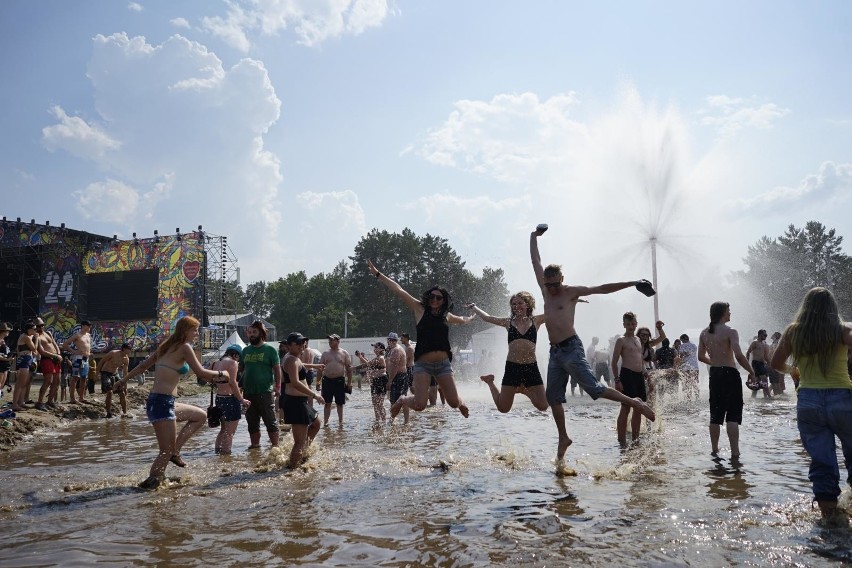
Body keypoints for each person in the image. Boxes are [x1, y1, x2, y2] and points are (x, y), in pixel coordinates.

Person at [530, 225, 656, 460]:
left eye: (557, 284)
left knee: (595, 390)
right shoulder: (546, 290)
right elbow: (536, 260)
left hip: (571, 348)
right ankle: (563, 437)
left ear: (562, 280)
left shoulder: (571, 292)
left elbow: (602, 289)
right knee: (553, 397)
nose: (553, 289)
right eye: (549, 285)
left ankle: (635, 403)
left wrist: (632, 283)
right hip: (555, 352)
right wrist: (533, 236)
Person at [113, 316, 228, 489]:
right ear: (185, 330)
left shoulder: (166, 346)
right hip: (161, 402)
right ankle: (150, 485)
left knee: (200, 416)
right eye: (194, 330)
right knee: (164, 451)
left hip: (162, 401)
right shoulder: (184, 348)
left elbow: (143, 366)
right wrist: (222, 374)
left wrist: (123, 380)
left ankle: (175, 452)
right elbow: (201, 372)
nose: (197, 333)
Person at [770, 287, 852, 524]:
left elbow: (776, 362)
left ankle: (830, 522)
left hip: (808, 402)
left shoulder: (794, 332)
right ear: (832, 308)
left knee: (822, 460)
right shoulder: (843, 329)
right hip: (842, 399)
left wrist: (794, 370)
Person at [367, 260, 476, 422]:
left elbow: (460, 319)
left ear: (443, 300)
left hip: (443, 365)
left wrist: (470, 318)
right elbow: (399, 290)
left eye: (438, 298)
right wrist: (378, 274)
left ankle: (460, 404)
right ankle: (403, 399)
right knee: (419, 405)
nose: (434, 300)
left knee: (453, 402)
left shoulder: (446, 316)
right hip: (423, 365)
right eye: (432, 296)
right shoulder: (419, 309)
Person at [467, 292, 549, 413]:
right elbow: (488, 318)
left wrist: (570, 302)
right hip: (513, 367)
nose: (517, 306)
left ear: (528, 304)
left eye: (520, 303)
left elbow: (555, 313)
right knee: (503, 408)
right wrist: (474, 307)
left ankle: (524, 390)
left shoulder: (536, 320)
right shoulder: (508, 322)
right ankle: (490, 382)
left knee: (543, 406)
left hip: (531, 367)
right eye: (514, 304)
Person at [697, 302, 756, 460]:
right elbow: (739, 355)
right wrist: (752, 371)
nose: (730, 313)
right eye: (728, 311)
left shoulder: (704, 333)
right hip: (730, 374)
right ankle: (735, 453)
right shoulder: (731, 331)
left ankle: (714, 450)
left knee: (715, 415)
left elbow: (700, 357)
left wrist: (715, 364)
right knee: (732, 415)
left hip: (715, 374)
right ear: (723, 313)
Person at [611, 314, 666, 446]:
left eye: (633, 324)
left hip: (639, 376)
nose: (631, 326)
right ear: (624, 324)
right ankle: (622, 440)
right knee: (625, 408)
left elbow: (640, 361)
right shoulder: (621, 340)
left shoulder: (637, 339)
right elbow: (613, 362)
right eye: (628, 324)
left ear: (636, 324)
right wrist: (617, 380)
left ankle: (636, 439)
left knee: (638, 408)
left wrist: (647, 376)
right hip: (627, 375)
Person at [280, 332, 325, 467]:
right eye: (298, 343)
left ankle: (302, 454)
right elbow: (295, 382)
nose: (302, 346)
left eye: (303, 343)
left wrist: (314, 366)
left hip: (298, 402)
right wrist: (314, 395)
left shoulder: (293, 358)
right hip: (295, 402)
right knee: (299, 441)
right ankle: (293, 470)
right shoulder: (291, 359)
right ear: (289, 346)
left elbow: (299, 365)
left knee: (316, 423)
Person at [241, 320, 282, 450]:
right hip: (248, 393)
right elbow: (240, 369)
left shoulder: (270, 350)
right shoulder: (245, 350)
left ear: (261, 333)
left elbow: (277, 369)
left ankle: (276, 447)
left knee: (270, 421)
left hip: (265, 391)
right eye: (249, 332)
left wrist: (278, 387)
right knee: (252, 422)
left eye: (254, 332)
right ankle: (255, 447)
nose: (251, 334)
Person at [211, 345, 249, 455]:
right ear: (235, 355)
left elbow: (206, 378)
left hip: (219, 398)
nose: (238, 360)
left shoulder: (215, 363)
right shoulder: (232, 363)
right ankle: (226, 456)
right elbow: (232, 383)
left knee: (223, 429)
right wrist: (241, 400)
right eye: (238, 357)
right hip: (230, 399)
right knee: (230, 432)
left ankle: (217, 452)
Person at [318, 334, 352, 427]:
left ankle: (341, 423)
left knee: (339, 403)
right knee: (327, 403)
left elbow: (349, 369)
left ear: (337, 341)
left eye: (332, 341)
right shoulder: (325, 353)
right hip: (327, 380)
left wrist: (349, 383)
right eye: (329, 341)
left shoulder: (344, 353)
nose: (329, 342)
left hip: (339, 380)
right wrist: (318, 382)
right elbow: (320, 368)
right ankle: (325, 423)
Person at [60, 320, 92, 404]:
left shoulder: (88, 335)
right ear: (83, 326)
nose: (89, 327)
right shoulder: (77, 335)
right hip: (78, 358)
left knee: (84, 378)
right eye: (88, 325)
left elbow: (87, 346)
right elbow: (65, 344)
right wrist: (74, 351)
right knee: (75, 377)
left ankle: (81, 397)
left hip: (86, 358)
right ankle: (72, 398)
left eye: (89, 326)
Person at [34, 318, 62, 410]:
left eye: (42, 325)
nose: (41, 327)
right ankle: (39, 402)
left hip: (55, 359)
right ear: (35, 327)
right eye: (38, 326)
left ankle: (50, 401)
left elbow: (55, 344)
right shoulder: (36, 336)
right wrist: (55, 356)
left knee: (57, 381)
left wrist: (58, 354)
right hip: (46, 359)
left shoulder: (48, 333)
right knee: (48, 381)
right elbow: (41, 351)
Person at [357, 343, 388, 422]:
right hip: (375, 381)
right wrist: (360, 357)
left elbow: (367, 364)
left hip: (381, 381)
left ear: (381, 349)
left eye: (376, 347)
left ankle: (384, 420)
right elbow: (369, 363)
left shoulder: (380, 358)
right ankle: (377, 420)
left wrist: (353, 368)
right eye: (374, 347)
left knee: (380, 403)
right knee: (375, 403)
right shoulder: (377, 358)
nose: (374, 349)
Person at [99, 343, 131, 418]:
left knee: (122, 393)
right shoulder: (113, 353)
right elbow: (102, 361)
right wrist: (97, 374)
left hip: (114, 373)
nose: (130, 350)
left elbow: (125, 373)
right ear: (124, 349)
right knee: (109, 392)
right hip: (105, 372)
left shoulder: (126, 359)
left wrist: (125, 386)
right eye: (129, 349)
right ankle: (108, 412)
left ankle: (125, 413)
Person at [12, 322, 38, 412]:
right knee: (20, 383)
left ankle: (21, 402)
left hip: (27, 359)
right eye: (34, 329)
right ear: (29, 329)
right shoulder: (26, 337)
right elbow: (34, 348)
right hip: (25, 360)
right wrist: (37, 339)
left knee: (24, 383)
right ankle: (15, 404)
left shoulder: (27, 336)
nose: (36, 330)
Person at [385, 332, 411, 423]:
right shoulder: (394, 349)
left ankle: (393, 420)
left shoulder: (396, 350)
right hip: (400, 376)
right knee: (401, 399)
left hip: (399, 377)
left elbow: (395, 366)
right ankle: (404, 420)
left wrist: (390, 380)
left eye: (389, 340)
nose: (388, 342)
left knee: (398, 400)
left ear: (391, 341)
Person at [746, 330, 772, 398]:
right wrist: (747, 364)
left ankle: (753, 397)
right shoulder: (755, 343)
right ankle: (769, 396)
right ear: (759, 335)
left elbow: (766, 356)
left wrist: (769, 364)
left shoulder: (765, 344)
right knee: (764, 379)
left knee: (757, 381)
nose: (766, 336)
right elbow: (748, 352)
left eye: (766, 335)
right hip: (756, 363)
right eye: (764, 335)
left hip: (762, 364)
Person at [299, 338, 322, 404]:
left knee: (307, 391)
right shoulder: (311, 350)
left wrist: (303, 372)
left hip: (307, 371)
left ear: (306, 342)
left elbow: (307, 363)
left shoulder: (306, 350)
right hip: (309, 371)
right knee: (309, 390)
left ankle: (309, 407)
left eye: (303, 342)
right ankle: (309, 407)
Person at [678, 334, 700, 400]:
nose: (681, 342)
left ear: (683, 339)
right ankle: (697, 397)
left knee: (687, 383)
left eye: (681, 340)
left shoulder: (682, 346)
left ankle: (688, 398)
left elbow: (681, 356)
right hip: (695, 367)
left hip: (686, 367)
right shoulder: (694, 346)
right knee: (695, 382)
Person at [0, 323, 12, 400]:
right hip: (1, 364)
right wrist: (7, 359)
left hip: (5, 364)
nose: (8, 332)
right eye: (7, 330)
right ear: (2, 331)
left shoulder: (3, 340)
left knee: (1, 385)